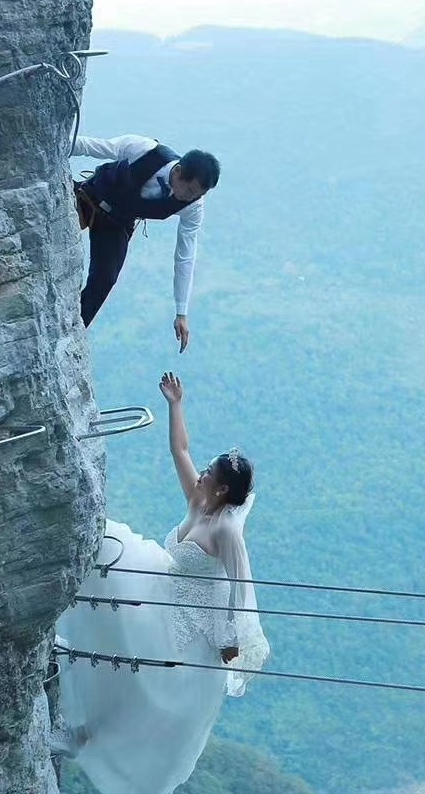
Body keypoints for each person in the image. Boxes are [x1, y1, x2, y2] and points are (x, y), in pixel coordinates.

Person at [52, 372, 268, 792]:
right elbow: (180, 449)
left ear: (223, 489)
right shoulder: (199, 500)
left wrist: (230, 637)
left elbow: (241, 585)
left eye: (209, 472)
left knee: (140, 683)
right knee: (109, 548)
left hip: (189, 621)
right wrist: (175, 404)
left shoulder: (226, 530)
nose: (201, 473)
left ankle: (84, 734)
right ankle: (61, 637)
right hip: (162, 586)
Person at [71, 134, 221, 348]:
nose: (190, 198)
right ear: (178, 172)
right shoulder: (145, 150)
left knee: (105, 280)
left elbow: (185, 255)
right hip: (90, 196)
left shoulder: (193, 205)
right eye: (188, 191)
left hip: (116, 224)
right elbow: (91, 146)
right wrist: (51, 145)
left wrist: (181, 311)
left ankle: (70, 331)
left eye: (197, 195)